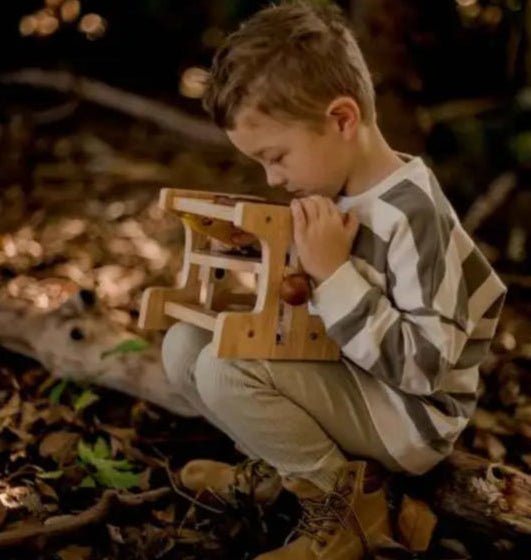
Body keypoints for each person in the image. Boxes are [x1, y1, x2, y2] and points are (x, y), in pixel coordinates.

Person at [161, 2, 507, 558]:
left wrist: (334, 271)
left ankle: (348, 512)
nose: (273, 177)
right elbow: (313, 300)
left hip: (408, 414)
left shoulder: (412, 214)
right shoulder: (334, 188)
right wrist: (268, 252)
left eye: (276, 157)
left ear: (342, 119)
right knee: (185, 347)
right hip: (351, 377)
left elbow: (425, 365)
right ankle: (283, 468)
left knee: (226, 370)